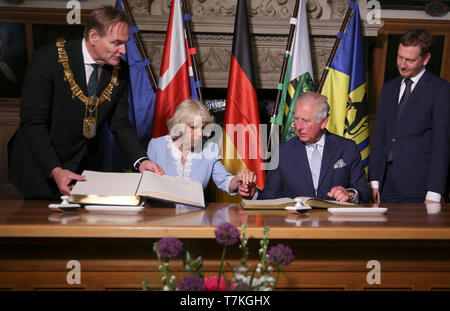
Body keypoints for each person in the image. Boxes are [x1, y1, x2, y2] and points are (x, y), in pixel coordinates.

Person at [7, 5, 162, 200]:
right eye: (116, 43)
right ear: (93, 36)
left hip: (82, 168)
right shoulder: (47, 60)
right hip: (39, 166)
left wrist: (141, 161)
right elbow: (33, 123)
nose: (123, 50)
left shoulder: (120, 70)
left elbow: (120, 124)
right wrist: (55, 169)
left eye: (125, 43)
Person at [241, 92, 370, 203]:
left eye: (306, 121)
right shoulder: (283, 152)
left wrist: (349, 195)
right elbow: (270, 198)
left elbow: (363, 192)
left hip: (335, 226)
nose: (299, 126)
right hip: (296, 227)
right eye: (296, 119)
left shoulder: (347, 148)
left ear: (323, 122)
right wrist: (254, 194)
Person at [369, 28, 449, 204]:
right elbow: (380, 136)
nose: (402, 64)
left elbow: (441, 144)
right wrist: (374, 180)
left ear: (426, 59)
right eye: (399, 57)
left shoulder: (440, 90)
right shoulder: (389, 88)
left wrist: (435, 191)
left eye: (410, 60)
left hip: (418, 187)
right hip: (385, 184)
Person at [147, 99, 256, 199]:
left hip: (195, 216)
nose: (200, 134)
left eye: (203, 127)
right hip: (160, 215)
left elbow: (225, 181)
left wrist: (239, 180)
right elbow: (144, 186)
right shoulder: (156, 145)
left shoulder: (209, 149)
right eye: (193, 127)